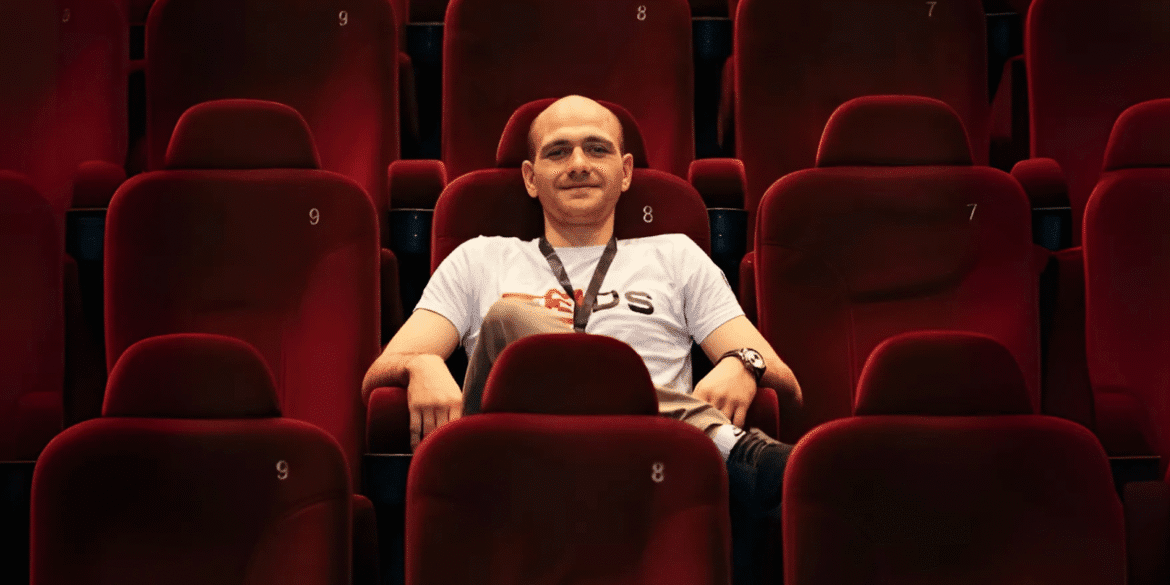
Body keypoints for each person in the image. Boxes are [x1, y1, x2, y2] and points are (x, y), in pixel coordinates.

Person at [362, 95, 801, 582]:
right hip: (515, 466)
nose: (578, 165)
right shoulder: (480, 259)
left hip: (646, 467)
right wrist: (420, 365)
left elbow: (783, 378)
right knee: (510, 317)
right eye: (557, 151)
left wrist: (744, 363)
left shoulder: (675, 256)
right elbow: (378, 374)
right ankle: (731, 449)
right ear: (530, 177)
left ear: (626, 171)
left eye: (597, 149)